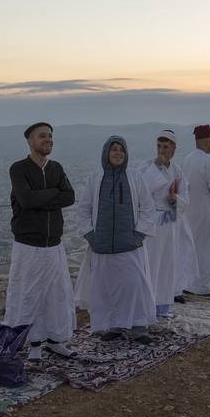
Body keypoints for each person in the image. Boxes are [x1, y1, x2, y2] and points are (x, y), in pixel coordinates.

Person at [75, 136, 158, 341]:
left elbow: (148, 207)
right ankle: (113, 326)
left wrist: (138, 235)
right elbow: (83, 209)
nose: (118, 153)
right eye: (114, 149)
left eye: (121, 149)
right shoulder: (95, 178)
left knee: (134, 285)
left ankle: (139, 326)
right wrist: (91, 236)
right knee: (106, 289)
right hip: (102, 246)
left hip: (130, 245)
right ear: (106, 152)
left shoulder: (135, 176)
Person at [6, 122, 77, 362]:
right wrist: (53, 194)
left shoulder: (56, 168)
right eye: (42, 136)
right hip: (29, 245)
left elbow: (70, 197)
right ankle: (33, 343)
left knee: (56, 294)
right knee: (29, 294)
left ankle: (55, 340)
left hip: (53, 244)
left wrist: (43, 198)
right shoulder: (19, 169)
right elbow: (26, 200)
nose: (48, 140)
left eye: (49, 136)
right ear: (30, 141)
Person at [139, 129, 189, 318]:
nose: (161, 150)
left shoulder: (178, 171)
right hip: (152, 224)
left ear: (174, 149)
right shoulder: (146, 166)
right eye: (159, 146)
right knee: (151, 264)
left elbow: (186, 197)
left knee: (167, 264)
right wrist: (156, 169)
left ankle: (162, 304)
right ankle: (146, 305)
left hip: (170, 224)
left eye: (166, 147)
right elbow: (141, 190)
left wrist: (175, 199)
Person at [178, 124, 210, 295]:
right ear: (206, 142)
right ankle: (205, 286)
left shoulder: (187, 159)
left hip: (190, 213)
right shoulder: (209, 162)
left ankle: (190, 283)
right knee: (208, 249)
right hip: (207, 214)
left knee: (193, 248)